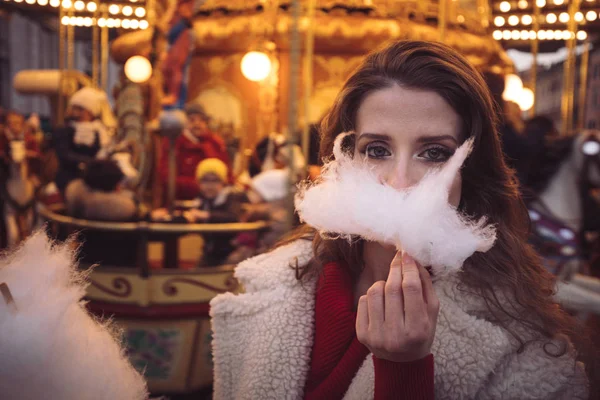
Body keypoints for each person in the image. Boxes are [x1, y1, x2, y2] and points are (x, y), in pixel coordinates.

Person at [210, 41, 595, 399]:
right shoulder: (272, 285)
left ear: (469, 170)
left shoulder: (519, 340)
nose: (400, 181)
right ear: (341, 158)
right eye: (377, 149)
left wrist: (404, 369)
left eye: (434, 154)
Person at [158, 103, 230, 200]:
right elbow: (167, 179)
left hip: (215, 204)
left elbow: (227, 174)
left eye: (202, 120)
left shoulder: (215, 144)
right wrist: (201, 187)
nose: (197, 124)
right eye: (192, 120)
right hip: (183, 202)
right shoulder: (173, 144)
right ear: (185, 122)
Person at [53, 87, 113, 193]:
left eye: (81, 109)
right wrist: (89, 162)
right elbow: (64, 154)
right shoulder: (65, 130)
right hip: (70, 176)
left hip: (93, 177)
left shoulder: (99, 131)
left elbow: (102, 151)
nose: (76, 113)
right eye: (75, 108)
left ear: (91, 112)